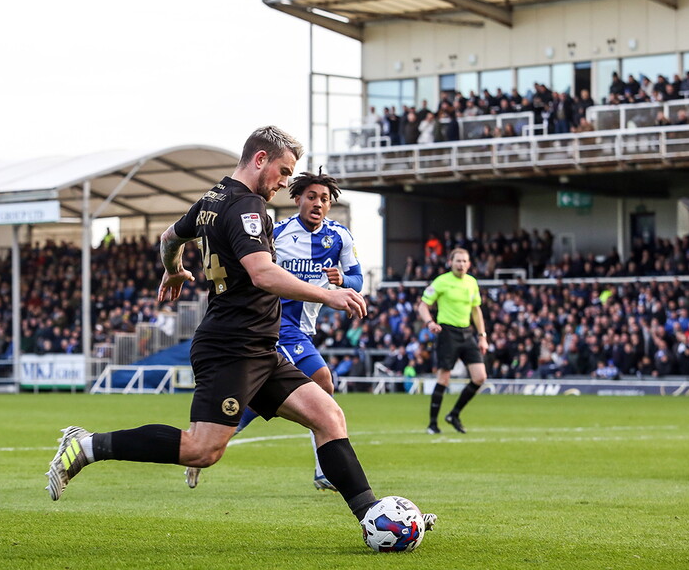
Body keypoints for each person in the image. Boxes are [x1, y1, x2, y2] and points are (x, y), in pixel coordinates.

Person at [44, 126, 436, 534]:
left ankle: (375, 519)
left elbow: (168, 237)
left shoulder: (212, 198)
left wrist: (173, 269)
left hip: (259, 346)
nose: (285, 182)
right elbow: (262, 273)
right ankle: (87, 446)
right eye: (283, 171)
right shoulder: (247, 208)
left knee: (328, 415)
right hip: (232, 344)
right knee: (202, 449)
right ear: (260, 159)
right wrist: (329, 296)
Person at [185, 169, 364, 492]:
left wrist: (342, 281)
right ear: (297, 198)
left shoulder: (340, 237)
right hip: (275, 324)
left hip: (304, 330)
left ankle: (208, 442)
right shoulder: (277, 232)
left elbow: (358, 280)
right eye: (311, 196)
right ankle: (324, 470)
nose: (318, 203)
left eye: (324, 199)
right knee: (323, 380)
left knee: (259, 399)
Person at [416, 248, 489, 434]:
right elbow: (423, 306)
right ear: (451, 262)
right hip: (447, 332)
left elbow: (476, 310)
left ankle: (454, 414)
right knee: (444, 378)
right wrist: (429, 322)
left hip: (467, 333)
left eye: (465, 261)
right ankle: (432, 424)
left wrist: (482, 336)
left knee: (480, 377)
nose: (461, 264)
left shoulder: (472, 282)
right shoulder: (442, 281)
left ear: (469, 264)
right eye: (458, 261)